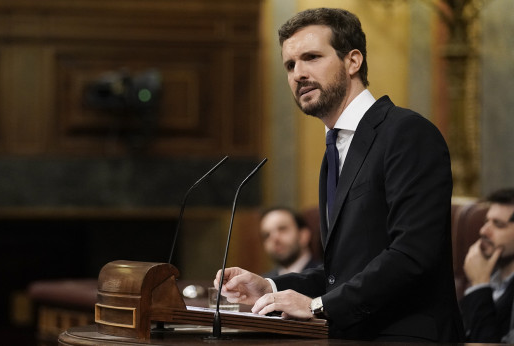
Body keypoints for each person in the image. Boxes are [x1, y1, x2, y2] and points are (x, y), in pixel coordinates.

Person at [214, 8, 464, 341]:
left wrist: (318, 306)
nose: (298, 73)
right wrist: (270, 286)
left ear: (353, 61)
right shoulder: (335, 150)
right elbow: (344, 274)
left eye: (312, 57)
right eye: (290, 65)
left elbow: (413, 254)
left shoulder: (406, 133)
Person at [461, 188, 514, 342]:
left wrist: (479, 285)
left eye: (498, 224)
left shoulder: (481, 279)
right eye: (486, 222)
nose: (484, 231)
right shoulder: (490, 276)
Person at [259, 207, 321, 278]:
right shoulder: (264, 283)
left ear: (303, 236)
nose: (274, 238)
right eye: (267, 235)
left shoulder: (326, 277)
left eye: (282, 229)